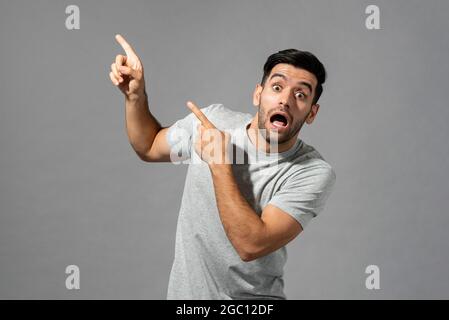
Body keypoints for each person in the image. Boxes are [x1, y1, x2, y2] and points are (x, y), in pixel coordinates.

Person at [109, 34, 336, 299]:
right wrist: (135, 96)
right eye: (277, 87)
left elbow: (250, 244)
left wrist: (219, 163)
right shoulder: (213, 122)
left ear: (311, 113)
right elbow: (148, 145)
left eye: (300, 94)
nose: (285, 100)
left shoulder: (311, 171)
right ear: (257, 94)